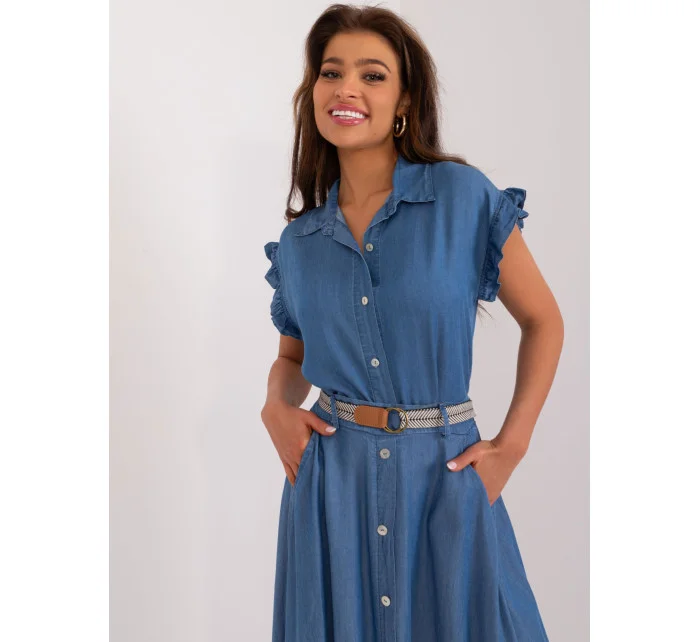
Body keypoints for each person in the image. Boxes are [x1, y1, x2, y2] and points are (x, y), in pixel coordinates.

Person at [260, 4, 564, 641]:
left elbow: (543, 320)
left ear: (404, 100)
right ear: (312, 92)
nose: (346, 88)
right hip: (331, 490)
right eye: (331, 72)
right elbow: (292, 360)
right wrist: (276, 404)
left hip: (446, 477)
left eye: (372, 75)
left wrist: (511, 446)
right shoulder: (300, 242)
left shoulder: (463, 197)